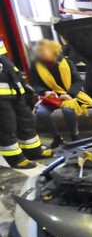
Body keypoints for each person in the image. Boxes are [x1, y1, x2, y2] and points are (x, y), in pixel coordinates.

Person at [30, 39, 92, 146]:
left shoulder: (67, 63)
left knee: (68, 110)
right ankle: (57, 137)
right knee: (41, 113)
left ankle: (74, 134)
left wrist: (70, 94)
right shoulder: (36, 66)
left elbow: (78, 81)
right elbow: (34, 83)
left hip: (67, 95)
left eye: (43, 50)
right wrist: (44, 91)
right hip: (49, 97)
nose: (40, 53)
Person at [0, 41, 53, 169]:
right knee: (7, 125)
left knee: (26, 120)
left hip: (14, 89)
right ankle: (15, 158)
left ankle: (33, 150)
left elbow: (5, 61)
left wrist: (21, 82)